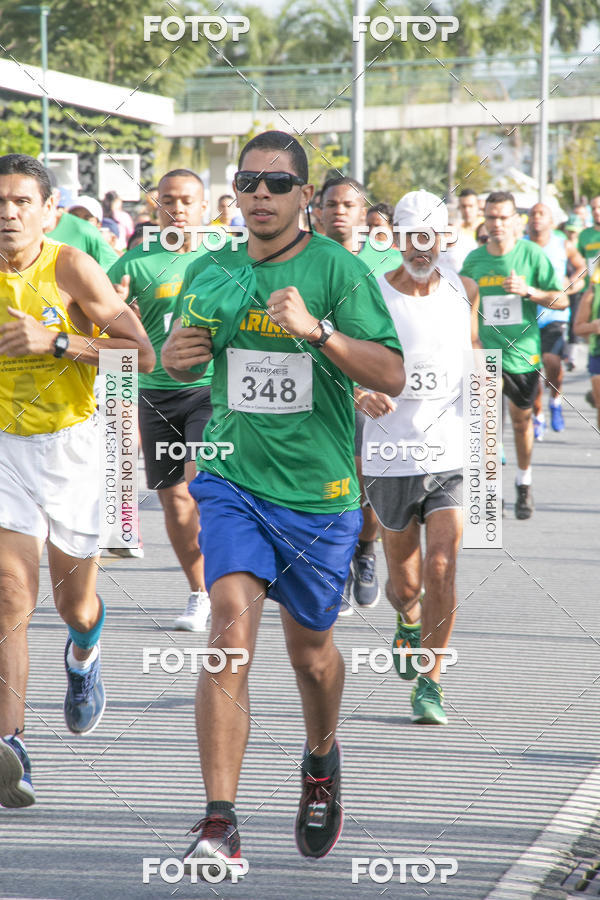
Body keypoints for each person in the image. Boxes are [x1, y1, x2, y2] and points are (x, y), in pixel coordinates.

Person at [161, 130, 404, 874]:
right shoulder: (210, 272)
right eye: (247, 183)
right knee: (228, 634)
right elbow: (179, 349)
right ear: (234, 194)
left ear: (305, 196)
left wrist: (318, 331)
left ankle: (322, 755)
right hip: (233, 481)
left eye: (276, 184)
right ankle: (219, 821)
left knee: (314, 657)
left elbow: (390, 373)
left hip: (321, 495)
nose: (260, 195)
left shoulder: (340, 270)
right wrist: (174, 355)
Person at [0, 154, 154, 808]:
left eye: (20, 203)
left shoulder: (72, 268)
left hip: (74, 448)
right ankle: (13, 747)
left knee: (72, 605)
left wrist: (56, 342)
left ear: (47, 211)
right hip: (4, 447)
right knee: (10, 595)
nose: (7, 214)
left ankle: (85, 650)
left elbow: (138, 354)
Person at [359, 190, 480, 724]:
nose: (422, 247)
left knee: (443, 565)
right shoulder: (372, 294)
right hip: (389, 451)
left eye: (431, 236)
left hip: (448, 451)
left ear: (444, 238)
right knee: (405, 582)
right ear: (396, 239)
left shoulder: (464, 290)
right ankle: (407, 619)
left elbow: (476, 364)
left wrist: (484, 446)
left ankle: (431, 680)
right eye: (412, 236)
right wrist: (357, 393)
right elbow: (339, 359)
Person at [108, 170, 213, 632]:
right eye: (169, 200)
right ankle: (200, 592)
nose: (179, 208)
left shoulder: (227, 258)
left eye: (188, 200)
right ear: (156, 207)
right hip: (155, 394)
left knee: (199, 484)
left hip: (212, 390)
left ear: (204, 206)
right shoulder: (133, 263)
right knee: (173, 502)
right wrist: (115, 314)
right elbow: (99, 324)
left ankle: (233, 575)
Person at [320, 176, 402, 613]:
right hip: (317, 390)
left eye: (348, 204)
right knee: (328, 487)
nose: (338, 210)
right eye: (330, 203)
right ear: (316, 210)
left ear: (362, 214)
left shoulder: (387, 262)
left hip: (371, 387)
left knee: (365, 485)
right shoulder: (300, 257)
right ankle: (332, 569)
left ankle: (365, 553)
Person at [461, 191, 568, 518]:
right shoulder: (474, 261)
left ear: (515, 220)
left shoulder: (532, 255)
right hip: (484, 353)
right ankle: (492, 494)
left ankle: (524, 482)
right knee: (487, 427)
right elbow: (464, 308)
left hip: (522, 353)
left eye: (504, 217)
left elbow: (562, 299)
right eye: (492, 217)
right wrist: (470, 343)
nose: (497, 224)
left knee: (521, 423)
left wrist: (530, 292)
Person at [526, 203, 585, 437]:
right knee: (533, 370)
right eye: (532, 214)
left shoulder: (562, 243)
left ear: (551, 221)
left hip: (555, 314)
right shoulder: (520, 245)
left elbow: (581, 268)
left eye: (542, 214)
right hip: (528, 315)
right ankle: (538, 414)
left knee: (552, 362)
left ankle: (555, 401)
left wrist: (569, 286)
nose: (536, 218)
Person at [46, 188, 119, 272]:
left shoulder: (95, 240)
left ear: (98, 225)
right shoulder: (53, 237)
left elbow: (114, 269)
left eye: (87, 218)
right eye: (75, 216)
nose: (80, 222)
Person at [577, 196, 600, 281]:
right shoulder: (584, 234)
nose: (597, 211)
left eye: (599, 207)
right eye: (593, 208)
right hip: (589, 288)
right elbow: (579, 261)